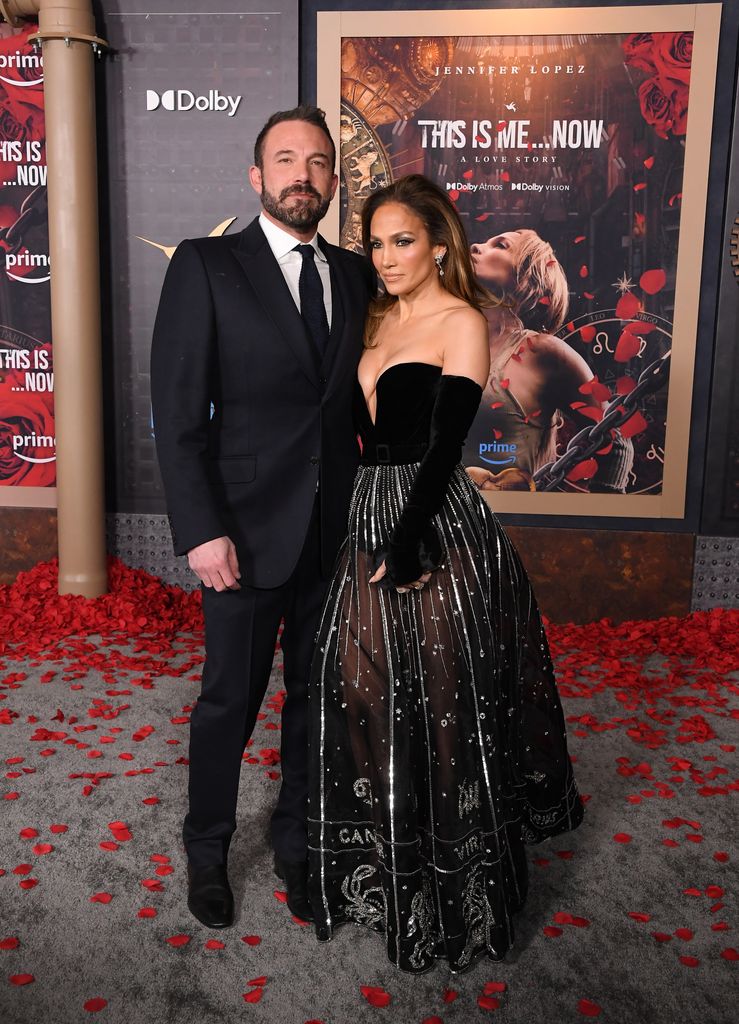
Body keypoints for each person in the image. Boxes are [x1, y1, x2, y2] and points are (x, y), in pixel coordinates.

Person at [307, 175, 584, 973]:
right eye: (376, 242)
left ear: (437, 246)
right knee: (360, 692)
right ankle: (391, 873)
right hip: (365, 509)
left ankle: (457, 893)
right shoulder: (368, 316)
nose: (387, 257)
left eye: (403, 241)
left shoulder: (461, 320)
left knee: (442, 704)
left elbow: (445, 443)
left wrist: (410, 534)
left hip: (430, 519)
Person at [150, 105, 374, 929]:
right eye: (285, 160)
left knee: (316, 703)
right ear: (256, 176)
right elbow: (174, 413)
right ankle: (206, 850)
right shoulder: (207, 266)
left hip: (333, 532)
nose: (301, 175)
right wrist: (200, 530)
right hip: (239, 535)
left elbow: (355, 406)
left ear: (333, 180)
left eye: (317, 163)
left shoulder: (352, 274)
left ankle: (298, 842)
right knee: (227, 704)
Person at [464, 230, 633, 492]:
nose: (476, 246)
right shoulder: (446, 347)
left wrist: (601, 523)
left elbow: (615, 440)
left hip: (509, 528)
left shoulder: (542, 352)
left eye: (500, 245)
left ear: (527, 274)